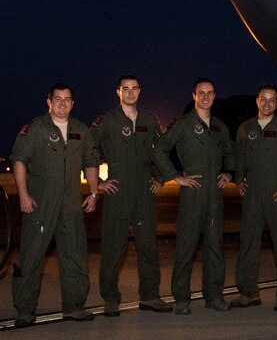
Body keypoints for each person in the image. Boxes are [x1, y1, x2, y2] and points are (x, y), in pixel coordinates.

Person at [10, 83, 101, 327]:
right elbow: (19, 161)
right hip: (41, 204)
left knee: (74, 256)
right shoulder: (36, 128)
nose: (62, 103)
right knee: (31, 257)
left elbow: (92, 162)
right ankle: (25, 311)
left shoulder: (80, 130)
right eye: (57, 99)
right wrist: (23, 195)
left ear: (73, 103)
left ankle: (74, 307)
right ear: (48, 101)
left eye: (67, 99)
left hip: (71, 205)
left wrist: (93, 193)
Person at [90, 75, 172, 316]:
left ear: (140, 91)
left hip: (145, 193)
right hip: (118, 191)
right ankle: (111, 299)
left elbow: (163, 150)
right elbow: (87, 150)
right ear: (118, 91)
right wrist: (100, 182)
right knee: (114, 247)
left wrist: (160, 178)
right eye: (125, 88)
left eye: (135, 88)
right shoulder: (106, 120)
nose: (130, 92)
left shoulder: (149, 119)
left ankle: (150, 296)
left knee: (148, 246)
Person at [151, 78, 235, 315]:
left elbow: (230, 152)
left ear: (215, 96)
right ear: (194, 95)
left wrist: (229, 172)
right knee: (186, 248)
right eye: (201, 93)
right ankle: (181, 299)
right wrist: (176, 176)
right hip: (192, 194)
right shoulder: (183, 124)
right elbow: (159, 150)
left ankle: (214, 296)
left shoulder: (220, 126)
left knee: (215, 248)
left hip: (214, 197)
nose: (206, 97)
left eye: (210, 93)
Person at [230, 84, 277, 312]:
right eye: (263, 99)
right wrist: (239, 180)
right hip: (252, 193)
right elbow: (240, 157)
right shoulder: (245, 128)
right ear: (257, 101)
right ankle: (248, 292)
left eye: (272, 100)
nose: (267, 103)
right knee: (248, 243)